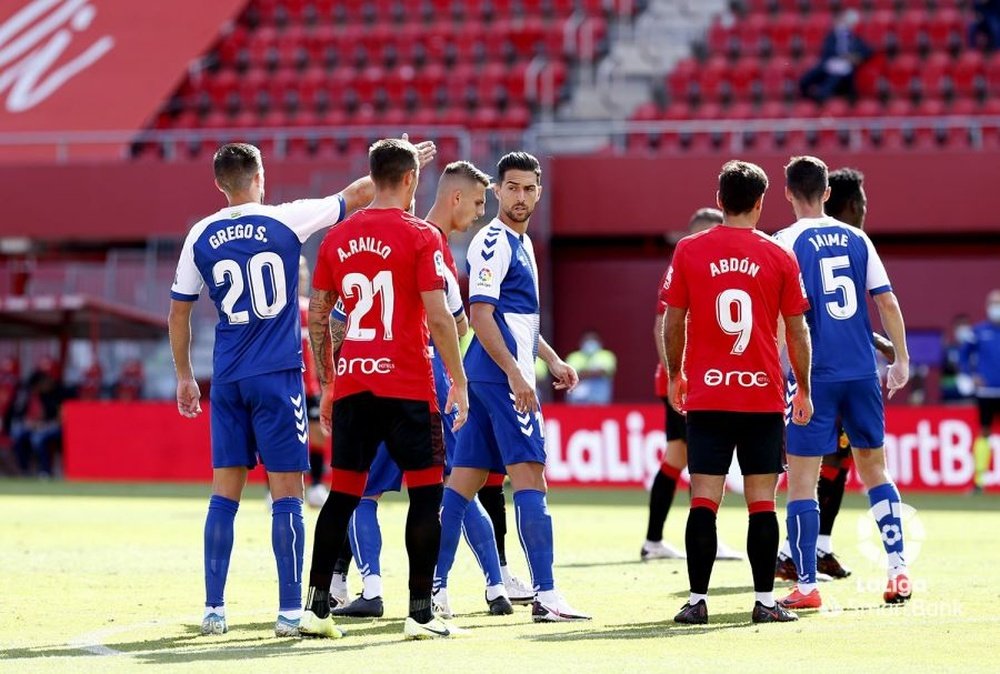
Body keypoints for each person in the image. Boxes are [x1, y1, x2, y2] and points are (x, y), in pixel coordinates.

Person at [167, 141, 395, 637]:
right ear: (259, 177)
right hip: (277, 375)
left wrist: (185, 375)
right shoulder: (285, 219)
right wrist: (404, 165)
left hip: (227, 378)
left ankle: (213, 609)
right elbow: (356, 194)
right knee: (287, 493)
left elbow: (179, 310)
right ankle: (290, 611)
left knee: (223, 493)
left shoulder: (199, 234)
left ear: (219, 184)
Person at [329, 161, 526, 620]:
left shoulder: (401, 238)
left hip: (387, 379)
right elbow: (455, 323)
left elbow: (341, 316)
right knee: (452, 488)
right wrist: (454, 377)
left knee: (364, 493)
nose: (481, 213)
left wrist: (344, 366)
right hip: (429, 380)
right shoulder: (430, 244)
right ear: (455, 198)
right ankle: (493, 585)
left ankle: (371, 588)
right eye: (479, 202)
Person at [299, 138, 470, 641]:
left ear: (372, 178)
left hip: (354, 382)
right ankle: (419, 615)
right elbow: (439, 316)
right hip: (408, 385)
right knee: (424, 495)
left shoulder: (337, 237)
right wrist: (457, 381)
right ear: (412, 180)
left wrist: (329, 384)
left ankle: (316, 610)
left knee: (342, 496)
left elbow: (318, 314)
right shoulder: (422, 236)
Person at [434, 151, 591, 623]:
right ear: (498, 190)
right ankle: (545, 594)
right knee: (530, 476)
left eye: (529, 188)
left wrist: (551, 359)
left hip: (487, 374)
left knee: (463, 483)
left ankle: (433, 588)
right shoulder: (495, 241)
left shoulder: (518, 244)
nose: (520, 196)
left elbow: (513, 320)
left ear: (538, 192)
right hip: (498, 376)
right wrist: (518, 374)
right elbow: (480, 315)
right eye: (512, 188)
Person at [663, 160, 812, 626]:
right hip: (762, 396)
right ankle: (765, 601)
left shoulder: (689, 250)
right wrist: (803, 387)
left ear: (720, 198)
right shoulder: (779, 255)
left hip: (708, 396)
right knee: (762, 503)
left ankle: (696, 600)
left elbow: (673, 320)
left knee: (703, 500)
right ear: (761, 202)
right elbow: (797, 330)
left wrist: (675, 374)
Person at [773, 156, 912, 611]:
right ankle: (898, 570)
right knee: (876, 471)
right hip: (861, 373)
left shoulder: (783, 242)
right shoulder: (858, 238)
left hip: (814, 376)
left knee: (802, 481)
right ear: (828, 192)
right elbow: (886, 302)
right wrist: (902, 360)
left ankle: (807, 584)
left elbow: (783, 319)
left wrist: (780, 373)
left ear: (789, 193)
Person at [644, 206, 743, 563]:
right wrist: (677, 373)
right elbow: (661, 326)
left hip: (688, 380)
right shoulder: (683, 267)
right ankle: (703, 541)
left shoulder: (696, 268)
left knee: (678, 459)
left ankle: (654, 541)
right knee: (701, 461)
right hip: (689, 382)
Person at [299, 256, 331, 508]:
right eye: (298, 271)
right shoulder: (283, 311)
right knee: (283, 436)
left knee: (318, 433)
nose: (302, 275)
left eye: (304, 270)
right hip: (289, 383)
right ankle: (273, 489)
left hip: (313, 384)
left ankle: (317, 485)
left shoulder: (313, 308)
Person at [960, 289, 1000, 493]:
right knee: (984, 432)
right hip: (986, 392)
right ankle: (979, 481)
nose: (996, 308)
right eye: (993, 303)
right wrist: (971, 374)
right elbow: (962, 356)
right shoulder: (977, 332)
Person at [799, 9, 872, 103]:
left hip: (845, 67)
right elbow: (827, 52)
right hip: (829, 64)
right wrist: (840, 56)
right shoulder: (831, 36)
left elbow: (867, 50)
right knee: (806, 80)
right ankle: (808, 97)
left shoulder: (854, 38)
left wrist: (855, 57)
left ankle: (821, 96)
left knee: (837, 74)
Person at [8, 357, 64, 478]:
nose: (44, 382)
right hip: (31, 425)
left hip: (50, 426)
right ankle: (24, 469)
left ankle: (45, 471)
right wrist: (28, 422)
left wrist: (44, 424)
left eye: (47, 378)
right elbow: (17, 412)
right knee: (18, 433)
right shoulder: (27, 391)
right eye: (42, 379)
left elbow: (61, 418)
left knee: (38, 438)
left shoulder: (59, 393)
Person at [565, 331, 617, 404]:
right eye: (587, 340)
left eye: (593, 340)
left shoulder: (606, 355)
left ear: (599, 342)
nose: (590, 343)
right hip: (577, 399)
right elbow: (570, 375)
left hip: (600, 399)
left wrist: (582, 373)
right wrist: (593, 372)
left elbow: (603, 371)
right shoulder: (574, 357)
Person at [941, 314, 976, 402]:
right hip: (952, 397)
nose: (962, 329)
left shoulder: (975, 351)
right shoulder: (948, 351)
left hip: (973, 398)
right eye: (959, 325)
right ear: (954, 329)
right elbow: (945, 378)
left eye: (965, 325)